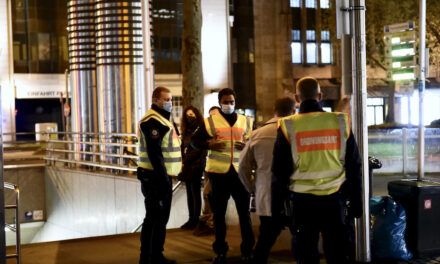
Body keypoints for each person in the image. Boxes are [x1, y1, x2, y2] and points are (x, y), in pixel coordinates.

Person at [271, 77, 363, 264]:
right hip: (334, 199)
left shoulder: (288, 126)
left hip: (302, 203)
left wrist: (277, 208)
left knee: (306, 254)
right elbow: (354, 165)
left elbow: (279, 172)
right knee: (337, 253)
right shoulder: (340, 122)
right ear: (320, 96)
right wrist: (357, 201)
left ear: (297, 98)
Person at [192, 89, 255, 264]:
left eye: (232, 101)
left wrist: (247, 146)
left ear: (236, 102)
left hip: (240, 173)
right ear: (220, 102)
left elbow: (253, 142)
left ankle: (247, 251)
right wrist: (208, 144)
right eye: (226, 102)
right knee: (219, 216)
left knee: (245, 214)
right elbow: (194, 142)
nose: (229, 105)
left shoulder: (246, 122)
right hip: (218, 175)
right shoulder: (210, 122)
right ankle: (220, 252)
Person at [238, 97, 296, 264]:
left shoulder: (258, 133)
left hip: (267, 196)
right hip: (296, 194)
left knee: (265, 239)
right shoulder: (297, 132)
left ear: (273, 109)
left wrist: (253, 189)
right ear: (293, 111)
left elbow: (243, 168)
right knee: (302, 239)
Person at [137, 87, 182, 264]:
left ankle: (156, 256)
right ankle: (146, 258)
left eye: (170, 99)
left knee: (161, 218)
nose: (169, 102)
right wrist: (164, 180)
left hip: (162, 177)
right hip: (154, 177)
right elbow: (155, 153)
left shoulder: (163, 119)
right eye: (166, 99)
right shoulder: (153, 121)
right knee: (153, 218)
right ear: (156, 100)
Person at [193, 106, 220, 236]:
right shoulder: (206, 128)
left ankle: (208, 222)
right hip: (208, 166)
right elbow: (194, 141)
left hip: (221, 168)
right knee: (207, 195)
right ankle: (207, 221)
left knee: (208, 194)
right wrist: (207, 144)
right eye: (211, 116)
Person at [179, 106, 206, 230]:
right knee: (189, 193)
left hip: (196, 164)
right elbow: (183, 146)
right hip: (187, 165)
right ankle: (191, 219)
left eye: (192, 114)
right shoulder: (186, 131)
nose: (190, 116)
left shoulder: (200, 128)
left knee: (195, 193)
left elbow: (197, 148)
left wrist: (184, 161)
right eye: (187, 115)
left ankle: (196, 219)